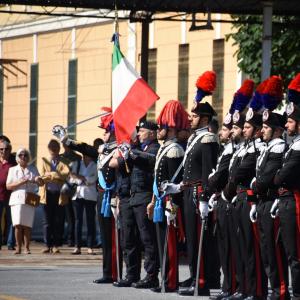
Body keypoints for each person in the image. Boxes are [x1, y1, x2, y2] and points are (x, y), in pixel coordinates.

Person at [163, 71, 219, 296]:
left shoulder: (208, 138)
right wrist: (177, 187)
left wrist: (205, 197)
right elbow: (189, 171)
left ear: (204, 119)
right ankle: (195, 276)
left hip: (198, 195)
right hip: (188, 193)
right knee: (192, 240)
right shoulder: (196, 137)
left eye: (194, 116)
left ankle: (202, 280)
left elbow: (208, 172)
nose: (190, 119)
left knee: (200, 239)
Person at [53, 107, 121, 283]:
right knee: (106, 236)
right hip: (101, 197)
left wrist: (118, 196)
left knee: (116, 237)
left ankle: (119, 273)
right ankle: (108, 273)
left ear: (113, 133)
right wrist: (65, 140)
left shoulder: (120, 150)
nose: (104, 135)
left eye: (107, 131)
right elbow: (84, 148)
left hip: (114, 197)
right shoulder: (102, 151)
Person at [208, 79, 255, 300]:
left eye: (237, 127)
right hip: (228, 200)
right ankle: (230, 287)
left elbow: (231, 176)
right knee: (227, 247)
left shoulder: (248, 149)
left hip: (239, 200)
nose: (235, 131)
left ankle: (242, 287)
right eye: (235, 127)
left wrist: (224, 192)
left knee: (241, 248)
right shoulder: (231, 150)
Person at [148, 100, 188, 293]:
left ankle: (171, 281)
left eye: (161, 127)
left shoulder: (174, 150)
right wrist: (154, 201)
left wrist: (172, 205)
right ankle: (165, 278)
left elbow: (174, 182)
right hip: (160, 202)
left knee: (169, 243)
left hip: (169, 203)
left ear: (170, 129)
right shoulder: (165, 148)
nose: (158, 131)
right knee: (161, 241)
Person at [118, 121, 160, 289]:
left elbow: (151, 160)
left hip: (145, 196)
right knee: (130, 238)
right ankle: (132, 274)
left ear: (151, 133)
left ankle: (151, 275)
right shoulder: (140, 149)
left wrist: (132, 153)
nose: (139, 134)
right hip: (134, 197)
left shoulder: (155, 148)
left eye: (142, 131)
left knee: (148, 239)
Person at [274, 73, 300, 300]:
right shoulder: (293, 146)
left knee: (295, 253)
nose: (287, 125)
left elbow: (283, 175)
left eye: (290, 121)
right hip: (284, 201)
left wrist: (277, 177)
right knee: (287, 250)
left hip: (293, 201)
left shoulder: (299, 146)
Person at [6, 148, 44, 254]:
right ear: (17, 158)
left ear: (28, 157)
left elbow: (41, 183)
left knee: (27, 225)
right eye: (21, 155)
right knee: (17, 225)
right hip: (16, 199)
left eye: (26, 155)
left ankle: (27, 248)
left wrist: (38, 180)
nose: (23, 157)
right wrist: (20, 182)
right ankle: (18, 248)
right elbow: (8, 186)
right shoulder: (12, 170)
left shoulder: (33, 168)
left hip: (29, 198)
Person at [40, 139, 70, 254]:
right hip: (47, 194)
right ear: (48, 149)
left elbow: (65, 175)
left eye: (56, 147)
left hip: (59, 195)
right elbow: (42, 177)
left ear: (59, 149)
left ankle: (56, 245)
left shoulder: (64, 161)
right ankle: (47, 244)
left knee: (59, 221)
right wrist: (56, 176)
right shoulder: (43, 161)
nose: (54, 149)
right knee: (47, 222)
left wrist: (51, 175)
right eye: (52, 147)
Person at [70, 154, 98, 255]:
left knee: (91, 221)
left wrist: (80, 177)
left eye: (88, 154)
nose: (86, 156)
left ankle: (90, 246)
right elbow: (72, 179)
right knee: (78, 221)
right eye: (85, 154)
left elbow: (92, 179)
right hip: (78, 195)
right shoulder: (77, 164)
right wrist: (82, 179)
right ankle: (77, 246)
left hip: (90, 195)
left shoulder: (95, 165)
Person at [61, 144, 82, 247]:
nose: (66, 147)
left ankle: (72, 239)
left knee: (73, 216)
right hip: (63, 188)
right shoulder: (61, 157)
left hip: (74, 187)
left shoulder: (78, 157)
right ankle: (65, 238)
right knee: (64, 215)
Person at [0, 137, 16, 250]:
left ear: (10, 150)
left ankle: (10, 243)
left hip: (11, 196)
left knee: (12, 221)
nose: (3, 151)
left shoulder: (14, 163)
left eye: (6, 149)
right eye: (1, 149)